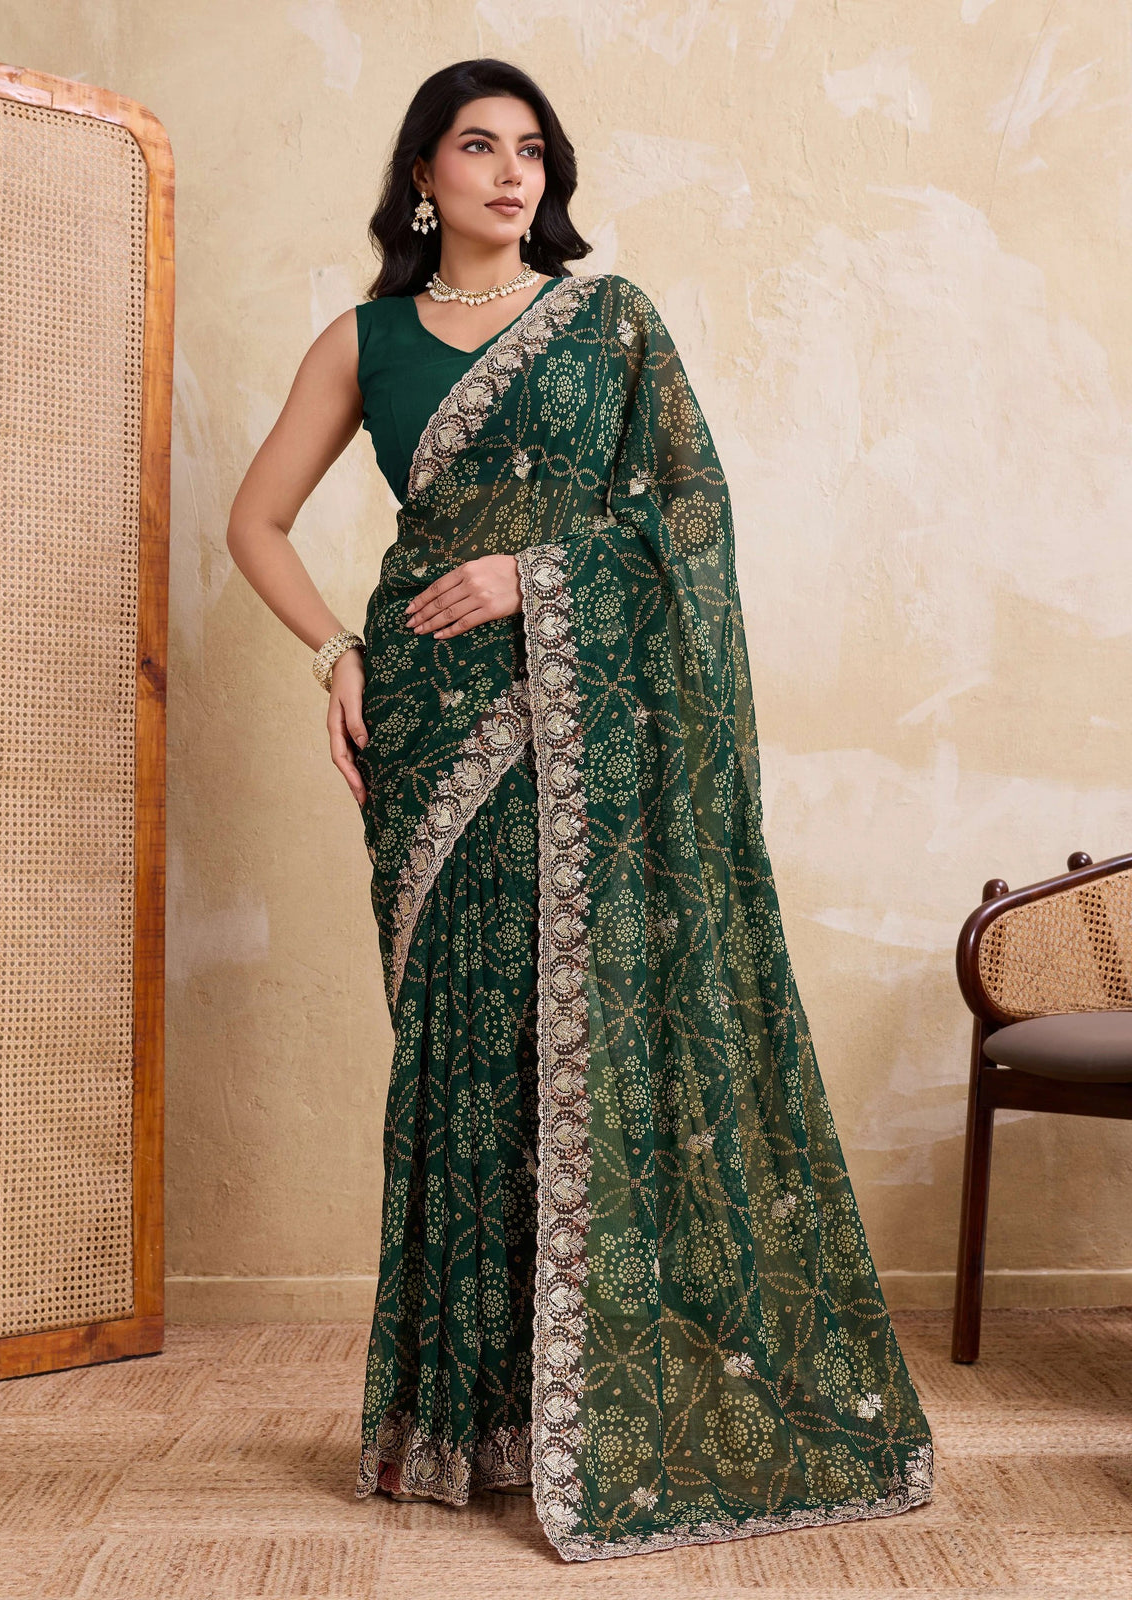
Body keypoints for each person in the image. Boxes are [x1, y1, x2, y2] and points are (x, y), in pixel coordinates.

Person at [226, 56, 934, 1566]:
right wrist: (336, 652)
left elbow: (693, 518)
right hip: (434, 730)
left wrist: (534, 576)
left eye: (533, 150)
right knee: (466, 1047)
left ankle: (606, 1398)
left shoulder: (611, 322)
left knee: (593, 1030)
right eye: (478, 146)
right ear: (423, 176)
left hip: (589, 722)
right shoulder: (364, 341)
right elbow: (255, 519)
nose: (511, 173)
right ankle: (466, 1420)